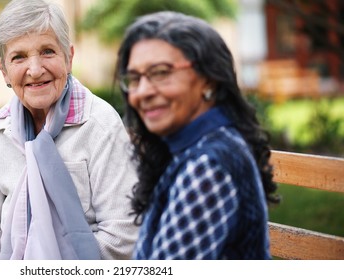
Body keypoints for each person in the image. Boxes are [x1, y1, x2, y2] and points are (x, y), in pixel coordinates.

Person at [0, 0, 138, 260]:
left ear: (69, 58)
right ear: (4, 70)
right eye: (19, 57)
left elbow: (122, 235)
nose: (34, 70)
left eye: (47, 51)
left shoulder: (100, 124)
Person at [115, 11, 280, 259]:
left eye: (161, 72)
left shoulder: (208, 166)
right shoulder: (184, 144)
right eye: (135, 78)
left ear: (209, 80)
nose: (143, 91)